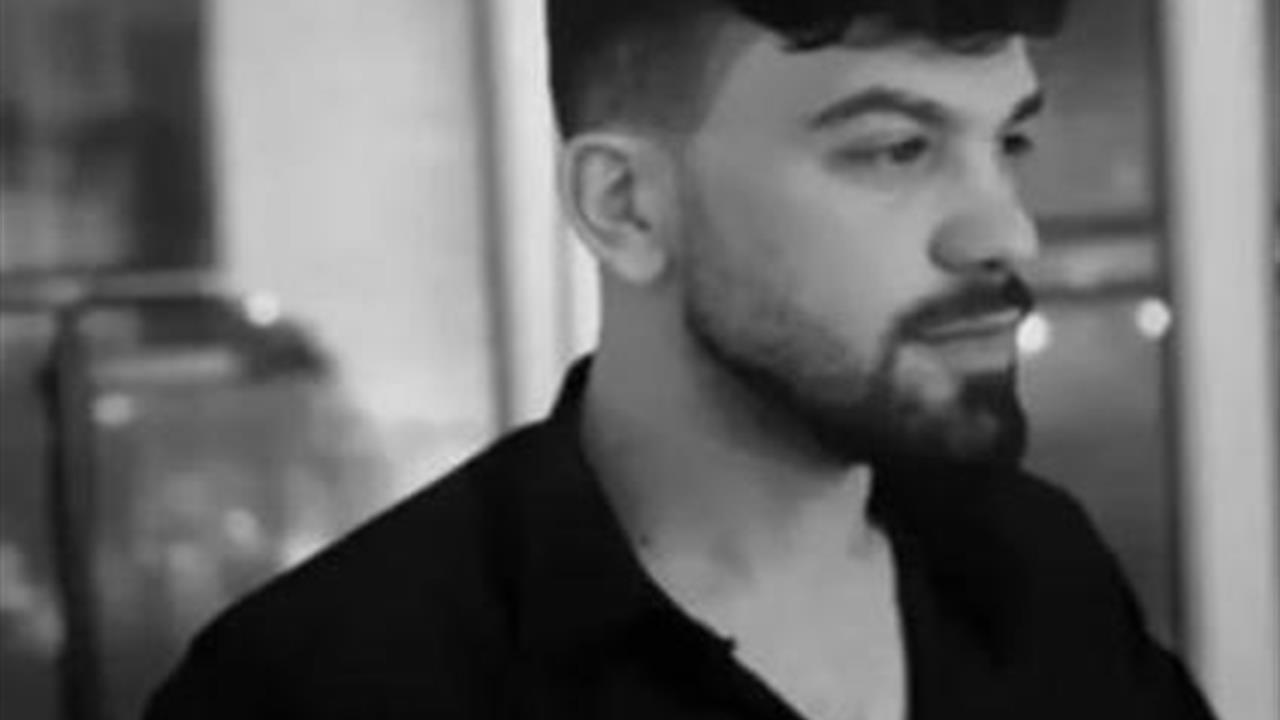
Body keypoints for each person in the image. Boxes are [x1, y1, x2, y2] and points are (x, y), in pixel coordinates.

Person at [146, 1, 1218, 718]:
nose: (1004, 231)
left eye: (1008, 143)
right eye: (896, 149)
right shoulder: (329, 684)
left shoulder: (1036, 573)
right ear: (625, 207)